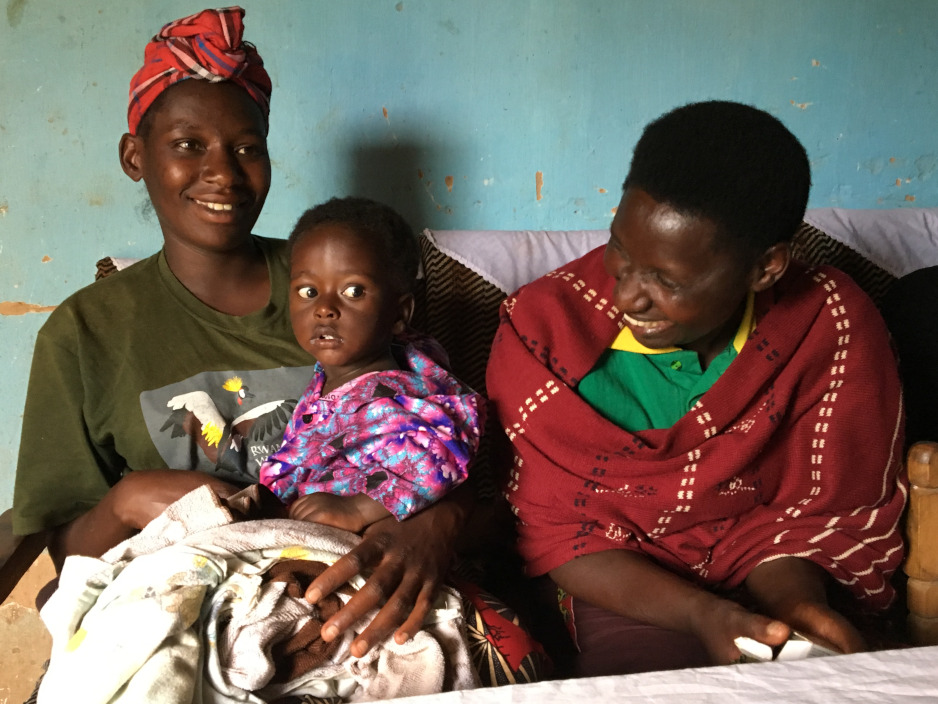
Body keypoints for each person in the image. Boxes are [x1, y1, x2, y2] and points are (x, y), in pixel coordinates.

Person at [12, 7, 470, 660]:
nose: (224, 173)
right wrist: (129, 498)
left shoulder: (336, 280)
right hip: (187, 608)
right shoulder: (85, 332)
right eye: (188, 145)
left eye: (247, 147)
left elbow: (431, 434)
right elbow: (70, 556)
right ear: (134, 156)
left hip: (335, 599)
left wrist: (434, 527)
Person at [486, 100, 907, 676]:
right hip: (617, 584)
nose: (627, 296)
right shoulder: (543, 330)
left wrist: (794, 609)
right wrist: (702, 614)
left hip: (777, 574)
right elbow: (559, 531)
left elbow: (812, 516)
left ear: (766, 269)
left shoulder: (828, 324)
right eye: (622, 252)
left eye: (666, 280)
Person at [259, 196, 483, 534]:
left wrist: (358, 509)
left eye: (353, 291)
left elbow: (441, 453)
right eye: (308, 292)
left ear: (399, 314)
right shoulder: (327, 381)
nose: (324, 309)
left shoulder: (398, 395)